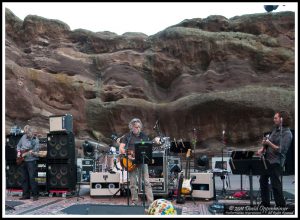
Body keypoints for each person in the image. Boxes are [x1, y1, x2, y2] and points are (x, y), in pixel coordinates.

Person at [257, 110, 293, 207]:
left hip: (276, 162)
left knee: (275, 185)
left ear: (282, 119)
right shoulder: (275, 130)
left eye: (275, 118)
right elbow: (269, 143)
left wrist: (269, 143)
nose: (274, 120)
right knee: (262, 181)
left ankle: (281, 206)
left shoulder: (287, 133)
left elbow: (281, 150)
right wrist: (263, 148)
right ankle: (265, 204)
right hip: (267, 161)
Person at [119, 118, 154, 206]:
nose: (137, 128)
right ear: (131, 127)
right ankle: (134, 201)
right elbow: (121, 148)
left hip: (142, 160)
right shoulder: (127, 136)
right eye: (135, 127)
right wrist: (129, 155)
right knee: (133, 183)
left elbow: (148, 147)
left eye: (138, 127)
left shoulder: (144, 136)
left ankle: (151, 202)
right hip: (131, 161)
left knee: (146, 182)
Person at [17, 125, 40, 201]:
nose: (26, 134)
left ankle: (35, 195)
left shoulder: (35, 140)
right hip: (23, 160)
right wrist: (19, 152)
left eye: (27, 132)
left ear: (30, 131)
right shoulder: (23, 137)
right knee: (24, 178)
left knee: (33, 178)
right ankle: (25, 195)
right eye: (25, 132)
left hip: (31, 160)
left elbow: (36, 150)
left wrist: (31, 152)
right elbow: (18, 145)